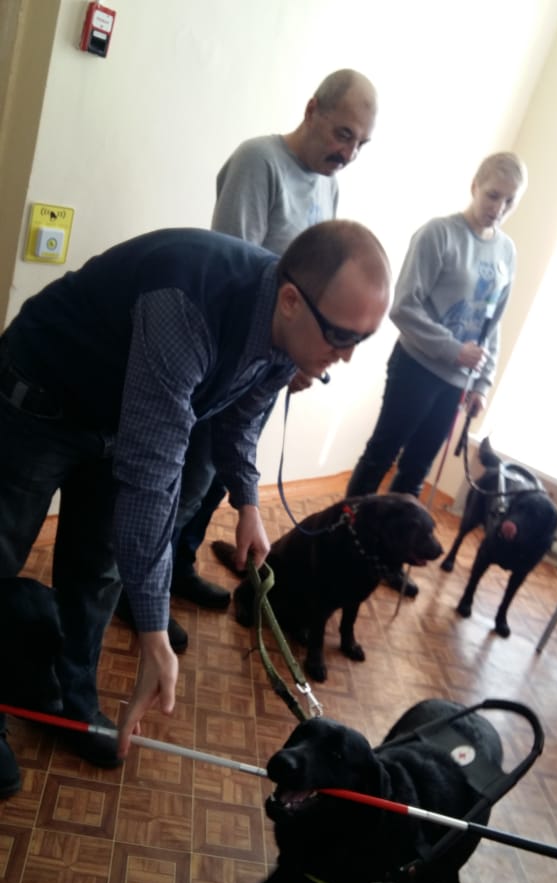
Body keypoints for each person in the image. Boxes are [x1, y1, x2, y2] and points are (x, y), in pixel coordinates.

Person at [0, 219, 392, 791]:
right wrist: (153, 632)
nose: (348, 355)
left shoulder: (291, 337)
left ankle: (68, 700)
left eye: (363, 339)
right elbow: (151, 475)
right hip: (39, 398)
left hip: (115, 417)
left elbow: (240, 419)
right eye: (341, 335)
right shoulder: (188, 305)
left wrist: (248, 503)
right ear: (291, 301)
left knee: (99, 569)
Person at [169, 67, 378, 602]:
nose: (349, 153)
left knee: (222, 474)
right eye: (343, 134)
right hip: (231, 357)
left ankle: (179, 566)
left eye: (361, 144)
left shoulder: (330, 184)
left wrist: (299, 358)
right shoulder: (258, 161)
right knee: (191, 475)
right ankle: (142, 583)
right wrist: (289, 354)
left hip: (275, 360)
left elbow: (323, 278)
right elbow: (232, 268)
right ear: (312, 110)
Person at [346, 151, 528, 598]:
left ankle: (389, 558)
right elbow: (403, 306)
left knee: (416, 470)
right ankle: (344, 541)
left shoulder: (507, 252)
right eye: (493, 195)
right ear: (475, 185)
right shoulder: (438, 234)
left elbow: (493, 326)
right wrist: (453, 349)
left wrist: (482, 383)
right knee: (381, 455)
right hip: (416, 367)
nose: (498, 208)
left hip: (456, 384)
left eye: (509, 201)